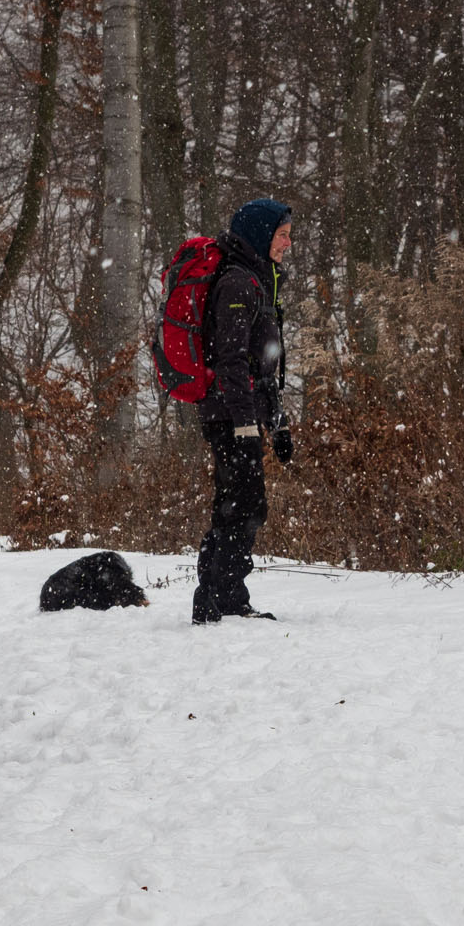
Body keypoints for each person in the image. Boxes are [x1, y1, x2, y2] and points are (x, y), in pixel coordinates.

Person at [192, 197, 295, 625]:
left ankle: (217, 597)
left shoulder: (258, 281)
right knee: (244, 505)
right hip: (230, 416)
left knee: (237, 503)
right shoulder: (238, 284)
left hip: (242, 414)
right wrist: (246, 426)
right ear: (260, 234)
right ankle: (221, 599)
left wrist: (278, 424)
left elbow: (263, 368)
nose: (288, 244)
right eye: (282, 235)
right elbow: (230, 361)